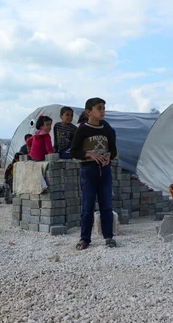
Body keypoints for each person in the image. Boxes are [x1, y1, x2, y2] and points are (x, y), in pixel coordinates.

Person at [70, 97, 118, 250]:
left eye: (104, 108)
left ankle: (108, 237)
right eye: (99, 108)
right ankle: (85, 238)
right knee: (87, 206)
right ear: (89, 112)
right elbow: (75, 151)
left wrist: (109, 156)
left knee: (106, 205)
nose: (103, 111)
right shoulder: (83, 129)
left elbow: (113, 149)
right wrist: (90, 155)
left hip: (105, 170)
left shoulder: (106, 128)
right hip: (88, 170)